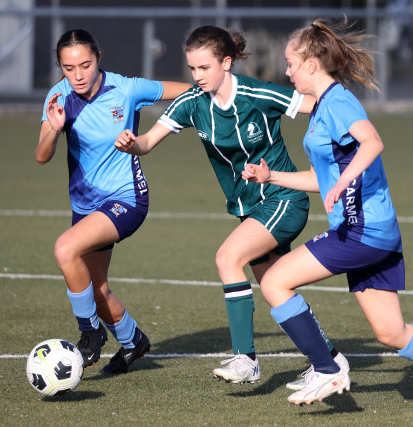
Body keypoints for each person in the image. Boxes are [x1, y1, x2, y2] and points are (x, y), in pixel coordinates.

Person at [242, 18, 413, 411]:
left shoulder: (338, 103)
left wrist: (343, 182)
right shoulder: (323, 107)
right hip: (374, 231)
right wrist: (271, 176)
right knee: (391, 332)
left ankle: (327, 368)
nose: (286, 71)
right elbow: (323, 178)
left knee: (274, 281)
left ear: (311, 65)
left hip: (362, 230)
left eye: (290, 64)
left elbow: (373, 142)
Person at [114, 25, 348, 384]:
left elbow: (318, 102)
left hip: (283, 199)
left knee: (227, 258)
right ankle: (329, 361)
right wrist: (132, 143)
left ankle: (245, 359)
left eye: (204, 67)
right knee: (274, 287)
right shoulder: (192, 102)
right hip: (249, 209)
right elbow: (146, 143)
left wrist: (343, 139)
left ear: (226, 62)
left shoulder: (257, 93)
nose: (197, 76)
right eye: (192, 68)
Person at [36, 29, 191, 374]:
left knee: (64, 249)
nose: (78, 75)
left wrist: (219, 91)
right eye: (68, 68)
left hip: (127, 199)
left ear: (99, 58)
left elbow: (188, 91)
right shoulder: (58, 96)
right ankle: (134, 341)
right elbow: (42, 156)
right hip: (85, 206)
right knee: (96, 289)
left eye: (85, 65)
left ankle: (90, 333)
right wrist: (55, 129)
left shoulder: (127, 88)